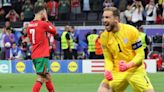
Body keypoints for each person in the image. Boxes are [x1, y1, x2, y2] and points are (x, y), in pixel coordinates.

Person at [98, 7, 154, 92]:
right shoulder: (104, 37)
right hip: (117, 71)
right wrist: (108, 70)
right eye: (103, 17)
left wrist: (128, 65)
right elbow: (108, 58)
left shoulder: (131, 31)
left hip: (135, 70)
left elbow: (140, 55)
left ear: (116, 19)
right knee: (104, 88)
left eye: (107, 17)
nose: (104, 20)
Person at [26, 5, 56, 92]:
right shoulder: (43, 24)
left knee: (47, 77)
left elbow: (30, 39)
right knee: (41, 78)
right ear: (42, 13)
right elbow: (54, 31)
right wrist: (46, 19)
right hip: (42, 55)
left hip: (35, 54)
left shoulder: (30, 25)